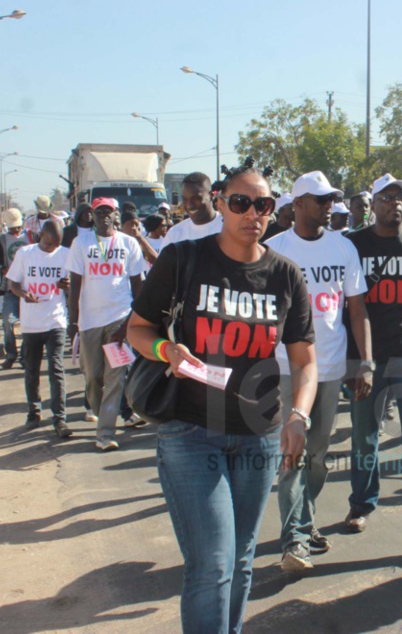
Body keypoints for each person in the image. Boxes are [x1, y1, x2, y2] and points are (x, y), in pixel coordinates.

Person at [127, 159, 317, 634]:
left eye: (264, 205)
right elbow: (137, 329)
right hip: (190, 432)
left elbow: (304, 361)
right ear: (220, 204)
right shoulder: (183, 258)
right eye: (241, 202)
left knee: (242, 560)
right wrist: (164, 348)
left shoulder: (286, 275)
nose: (253, 213)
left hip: (259, 436)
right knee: (212, 564)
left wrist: (299, 414)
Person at [265, 170, 372, 571]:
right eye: (320, 200)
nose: (329, 206)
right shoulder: (273, 249)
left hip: (329, 367)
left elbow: (357, 309)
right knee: (292, 451)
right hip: (284, 367)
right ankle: (294, 539)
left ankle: (304, 518)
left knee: (318, 455)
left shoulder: (343, 249)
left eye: (331, 200)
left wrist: (366, 361)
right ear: (297, 205)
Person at [345, 172, 402, 537]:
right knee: (364, 436)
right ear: (372, 205)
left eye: (399, 198)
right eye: (386, 198)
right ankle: (361, 504)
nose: (394, 204)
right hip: (364, 358)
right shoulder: (353, 246)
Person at [67, 197, 145, 451]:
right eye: (98, 211)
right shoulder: (81, 243)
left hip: (119, 319)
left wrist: (134, 321)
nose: (103, 215)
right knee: (92, 377)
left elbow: (138, 285)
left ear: (116, 215)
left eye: (108, 211)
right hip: (89, 321)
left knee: (115, 377)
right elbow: (75, 285)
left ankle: (105, 433)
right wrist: (73, 321)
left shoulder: (129, 243)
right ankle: (103, 415)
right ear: (92, 215)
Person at [6, 220, 73, 438]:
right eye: (50, 243)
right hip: (31, 323)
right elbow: (12, 284)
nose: (54, 247)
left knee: (56, 368)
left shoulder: (66, 254)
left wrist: (68, 286)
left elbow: (74, 286)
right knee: (32, 369)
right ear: (41, 235)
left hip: (56, 320)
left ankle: (60, 419)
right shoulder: (25, 254)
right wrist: (25, 295)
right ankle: (34, 412)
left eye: (57, 244)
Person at [0, 208, 33, 369]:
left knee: (29, 325)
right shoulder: (0, 240)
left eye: (18, 227)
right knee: (8, 322)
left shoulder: (31, 237)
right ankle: (11, 354)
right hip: (10, 288)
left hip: (29, 288)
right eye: (12, 227)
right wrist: (1, 269)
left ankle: (25, 355)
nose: (15, 230)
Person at [162, 172, 223, 245]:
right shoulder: (174, 234)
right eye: (185, 199)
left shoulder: (229, 227)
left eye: (196, 199)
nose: (189, 205)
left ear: (211, 196)